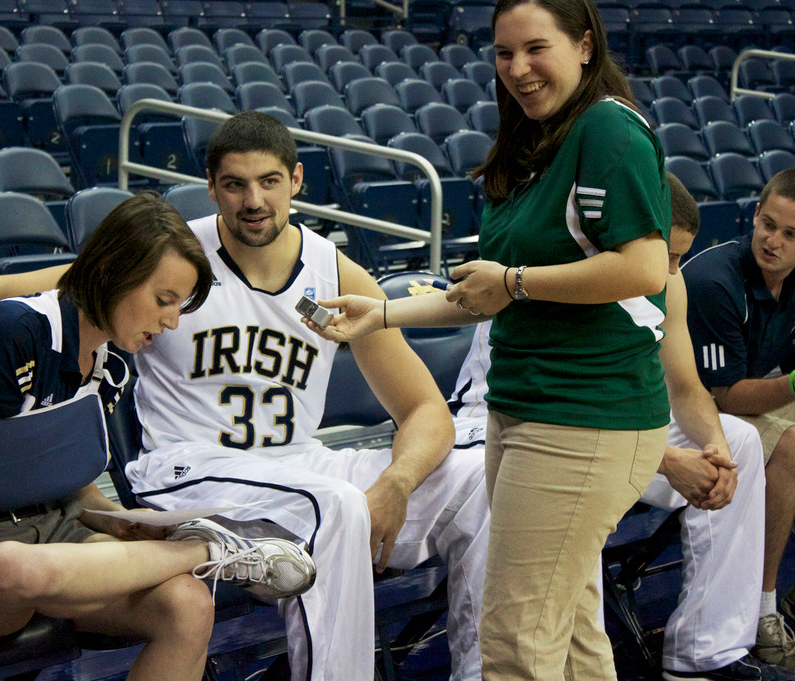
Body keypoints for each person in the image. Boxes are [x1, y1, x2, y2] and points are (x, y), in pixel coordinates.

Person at [0, 112, 490, 681]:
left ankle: (487, 669)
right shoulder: (150, 263)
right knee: (330, 508)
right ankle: (228, 555)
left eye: (270, 182)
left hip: (261, 472)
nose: (254, 200)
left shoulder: (324, 274)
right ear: (211, 189)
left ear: (297, 181)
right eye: (235, 184)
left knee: (475, 475)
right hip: (176, 477)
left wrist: (397, 482)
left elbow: (424, 410)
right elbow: (6, 299)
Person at [307, 0, 672, 677]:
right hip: (522, 410)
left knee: (512, 643)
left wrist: (514, 281)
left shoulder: (606, 130)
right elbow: (485, 292)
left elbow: (643, 266)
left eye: (536, 48)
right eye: (503, 54)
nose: (517, 68)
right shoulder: (537, 139)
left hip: (582, 417)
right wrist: (382, 314)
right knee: (568, 633)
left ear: (585, 46)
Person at [0, 193, 316, 681]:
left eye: (180, 306)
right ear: (112, 271)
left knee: (186, 602)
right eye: (163, 299)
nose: (172, 321)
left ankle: (212, 545)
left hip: (55, 534)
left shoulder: (110, 365)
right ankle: (213, 550)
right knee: (16, 569)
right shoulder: (11, 333)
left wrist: (116, 519)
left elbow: (52, 478)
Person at [450, 173, 794, 681]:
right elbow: (562, 413)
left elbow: (684, 388)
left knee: (740, 439)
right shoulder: (558, 273)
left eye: (681, 257)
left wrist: (714, 449)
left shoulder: (663, 279)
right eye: (669, 255)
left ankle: (707, 651)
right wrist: (668, 459)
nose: (677, 270)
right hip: (511, 427)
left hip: (615, 428)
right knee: (572, 492)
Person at [682, 168, 795, 671]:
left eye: (791, 235)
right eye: (768, 224)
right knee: (791, 445)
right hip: (692, 407)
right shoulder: (713, 281)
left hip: (745, 395)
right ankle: (763, 607)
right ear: (754, 214)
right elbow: (725, 395)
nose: (773, 241)